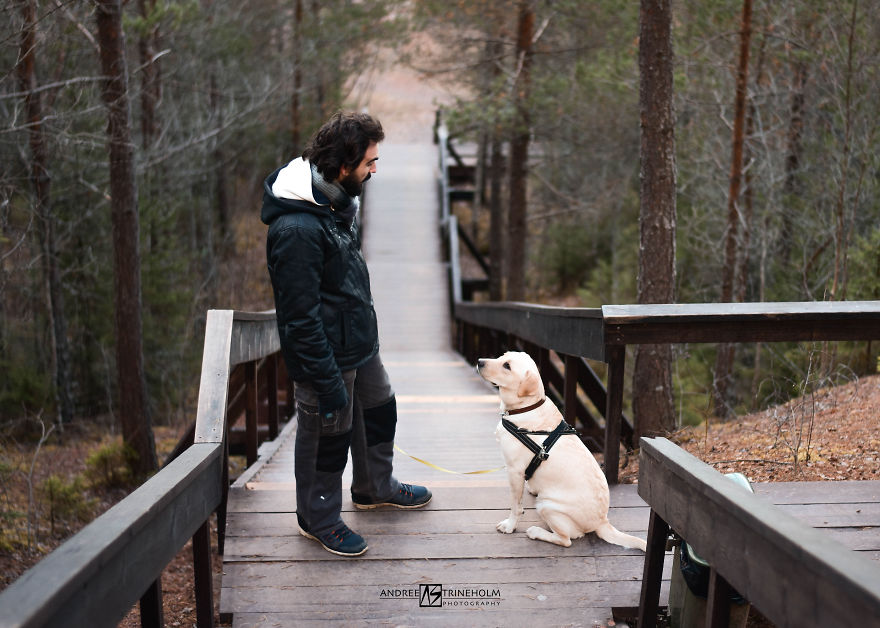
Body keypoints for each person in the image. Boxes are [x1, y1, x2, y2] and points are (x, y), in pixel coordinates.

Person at [261, 111, 431, 557]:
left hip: (359, 344)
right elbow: (299, 319)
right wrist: (325, 379)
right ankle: (317, 518)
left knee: (379, 409)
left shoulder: (334, 202)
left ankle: (375, 487)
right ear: (343, 165)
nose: (375, 170)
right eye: (369, 163)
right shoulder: (296, 229)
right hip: (326, 356)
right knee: (326, 436)